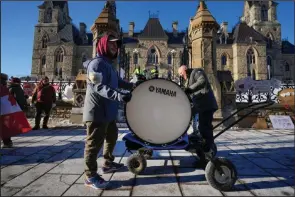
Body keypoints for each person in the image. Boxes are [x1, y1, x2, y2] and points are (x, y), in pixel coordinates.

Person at [83, 32, 135, 190]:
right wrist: (119, 96)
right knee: (93, 143)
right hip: (97, 111)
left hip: (108, 111)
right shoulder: (96, 64)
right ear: (104, 44)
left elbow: (118, 81)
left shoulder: (109, 66)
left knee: (112, 136)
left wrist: (133, 85)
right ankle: (90, 175)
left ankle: (107, 163)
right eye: (111, 44)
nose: (114, 47)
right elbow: (98, 86)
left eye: (116, 45)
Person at [178, 65, 218, 159]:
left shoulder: (196, 72)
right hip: (200, 106)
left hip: (206, 105)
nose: (181, 76)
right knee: (201, 128)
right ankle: (204, 147)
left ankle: (208, 151)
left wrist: (189, 89)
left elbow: (202, 81)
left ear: (185, 70)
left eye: (181, 73)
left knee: (205, 127)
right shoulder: (188, 79)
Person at [1, 73, 13, 148]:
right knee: (4, 126)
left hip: (3, 110)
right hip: (5, 110)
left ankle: (7, 142)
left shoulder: (4, 88)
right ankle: (7, 142)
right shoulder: (5, 88)